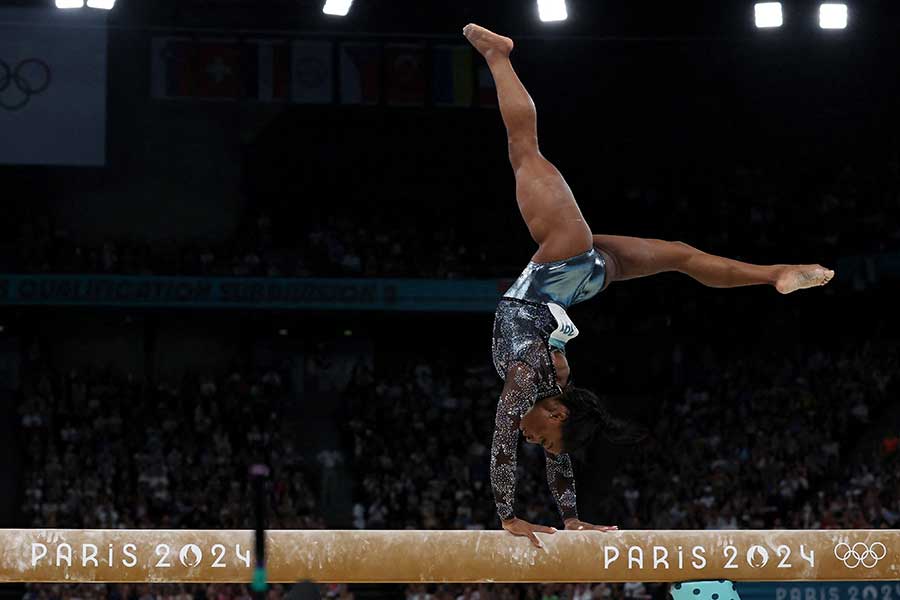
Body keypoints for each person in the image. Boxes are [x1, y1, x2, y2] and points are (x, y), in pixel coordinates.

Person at [462, 23, 835, 547]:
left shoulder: (547, 389)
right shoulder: (529, 379)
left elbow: (556, 451)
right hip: (565, 262)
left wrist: (570, 519)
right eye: (543, 438)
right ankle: (499, 56)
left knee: (682, 257)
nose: (535, 440)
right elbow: (503, 437)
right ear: (557, 411)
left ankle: (771, 274)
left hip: (581, 283)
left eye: (543, 444)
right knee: (524, 150)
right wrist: (506, 516)